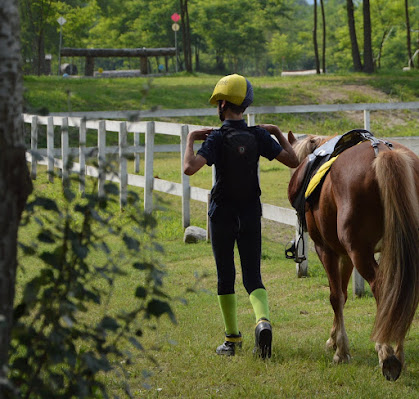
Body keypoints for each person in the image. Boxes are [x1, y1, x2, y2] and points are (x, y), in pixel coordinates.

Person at [183, 74, 299, 359]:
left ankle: (232, 340)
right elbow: (294, 160)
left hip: (222, 214)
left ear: (222, 104)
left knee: (226, 275)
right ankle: (263, 322)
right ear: (244, 105)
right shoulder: (260, 135)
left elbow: (188, 168)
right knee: (252, 275)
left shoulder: (217, 137)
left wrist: (190, 138)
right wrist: (276, 132)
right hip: (250, 213)